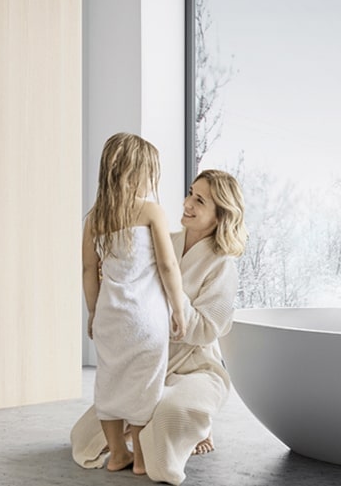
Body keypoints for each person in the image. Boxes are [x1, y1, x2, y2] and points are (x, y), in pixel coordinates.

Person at [72, 169, 247, 485]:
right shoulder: (164, 240)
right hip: (149, 361)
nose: (187, 203)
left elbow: (206, 330)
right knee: (85, 437)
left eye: (200, 201)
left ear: (221, 215)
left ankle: (197, 424)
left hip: (196, 369)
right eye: (190, 193)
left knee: (167, 414)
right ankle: (147, 429)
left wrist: (169, 287)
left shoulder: (222, 265)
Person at [82, 133, 187, 475]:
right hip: (146, 319)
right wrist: (178, 309)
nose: (151, 181)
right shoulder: (151, 211)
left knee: (109, 382)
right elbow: (168, 266)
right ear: (135, 174)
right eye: (150, 174)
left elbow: (89, 271)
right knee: (144, 387)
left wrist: (93, 312)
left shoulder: (94, 219)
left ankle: (117, 454)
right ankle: (141, 458)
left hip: (110, 317)